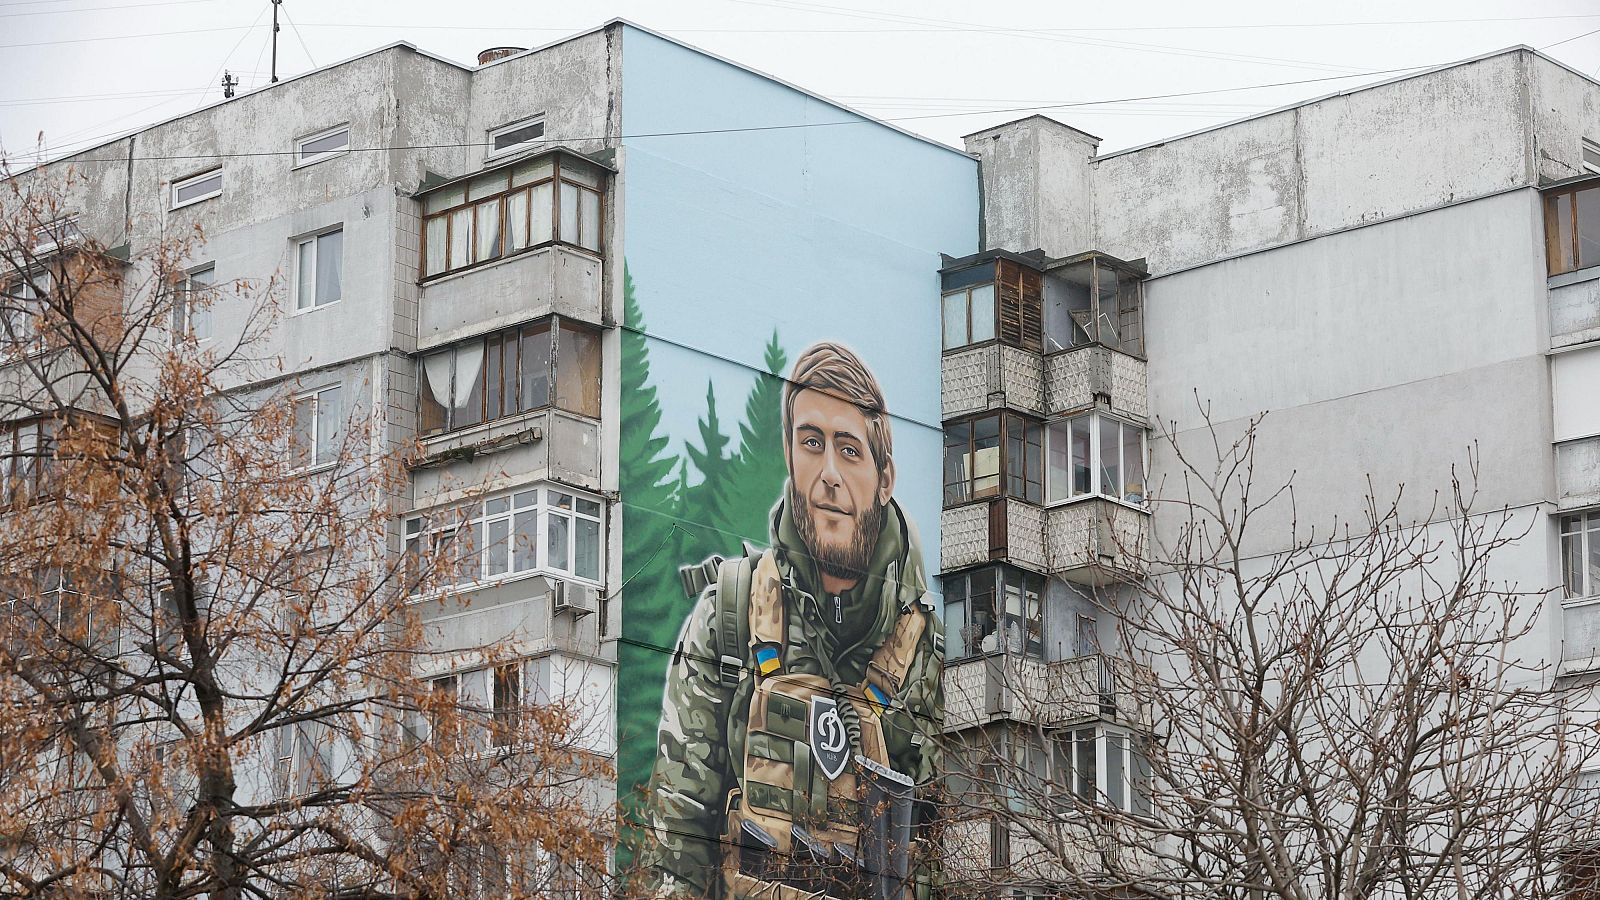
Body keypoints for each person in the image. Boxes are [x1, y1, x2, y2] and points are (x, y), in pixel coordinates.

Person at [644, 342, 944, 899]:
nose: (828, 474)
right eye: (812, 443)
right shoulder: (728, 616)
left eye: (849, 451)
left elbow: (938, 852)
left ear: (885, 479)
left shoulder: (924, 648)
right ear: (789, 454)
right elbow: (679, 840)